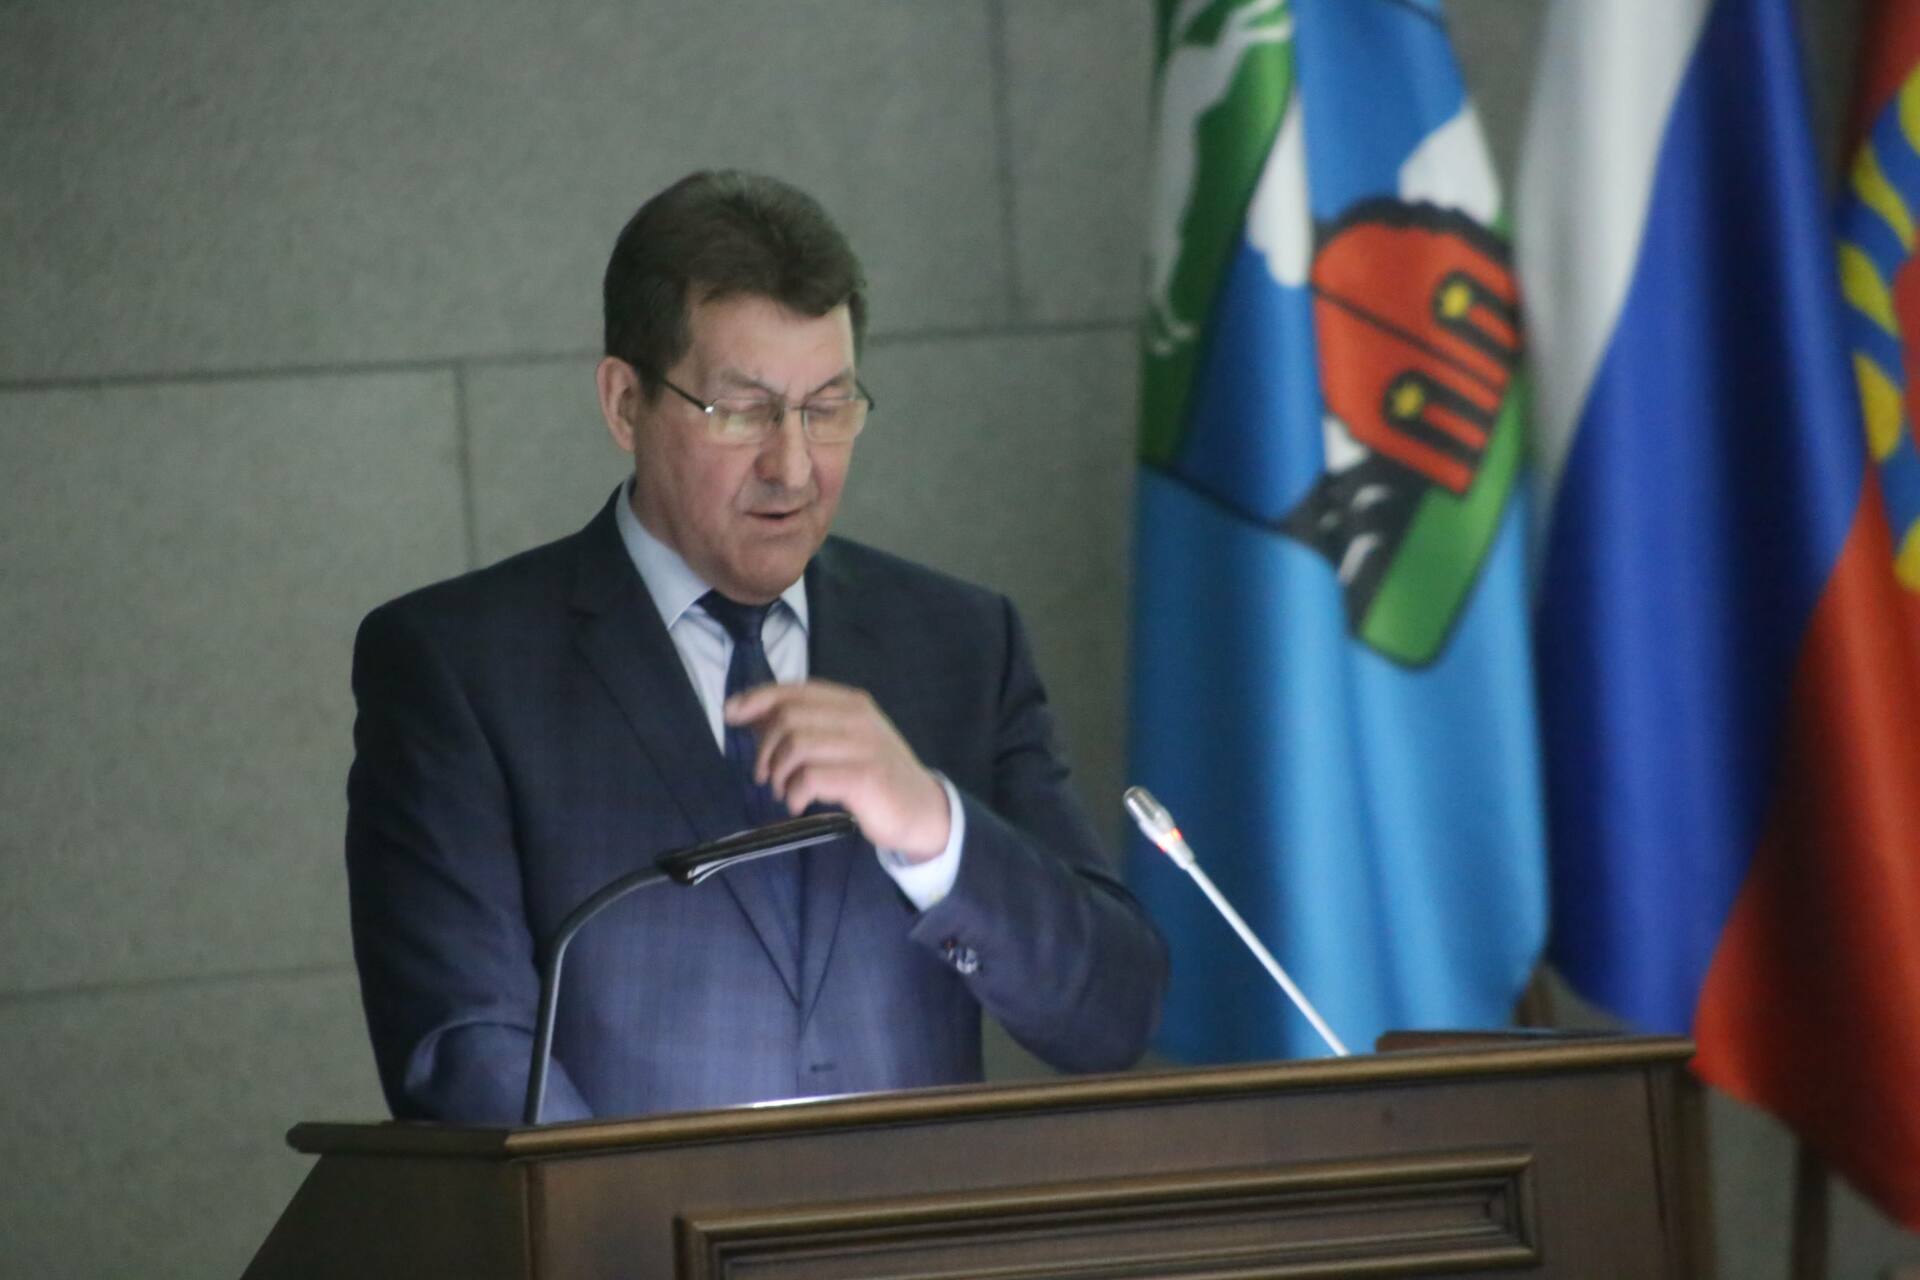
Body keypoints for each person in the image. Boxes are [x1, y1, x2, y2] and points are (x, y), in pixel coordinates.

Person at [345, 170, 1168, 1125]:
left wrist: (936, 829)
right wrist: (660, 1214)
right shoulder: (460, 668)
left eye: (828, 408)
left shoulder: (959, 644)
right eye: (743, 411)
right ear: (624, 402)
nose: (793, 466)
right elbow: (463, 1053)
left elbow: (1111, 1015)